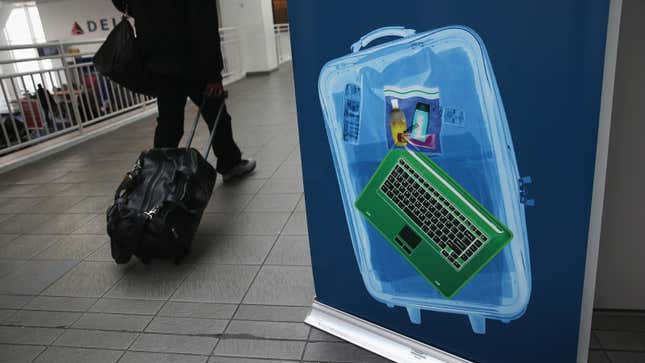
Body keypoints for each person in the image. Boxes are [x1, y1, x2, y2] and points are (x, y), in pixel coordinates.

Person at [111, 0, 255, 181]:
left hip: (158, 63)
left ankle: (156, 177)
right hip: (194, 62)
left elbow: (121, 3)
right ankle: (230, 164)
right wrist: (213, 74)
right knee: (216, 116)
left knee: (169, 124)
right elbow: (204, 23)